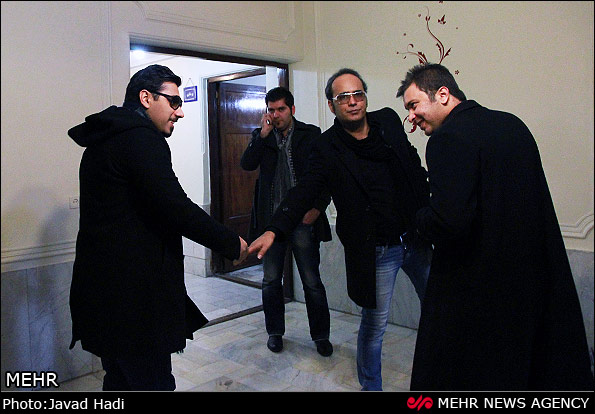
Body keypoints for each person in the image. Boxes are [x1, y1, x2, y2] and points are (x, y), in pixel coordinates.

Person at [397, 63, 593, 390]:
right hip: (532, 281)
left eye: (414, 105)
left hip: (479, 289)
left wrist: (418, 216)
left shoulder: (447, 139)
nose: (412, 117)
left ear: (442, 94)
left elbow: (449, 222)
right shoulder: (512, 124)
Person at [68, 64, 248, 391]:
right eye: (174, 102)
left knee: (119, 380)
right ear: (146, 97)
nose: (180, 112)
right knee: (152, 383)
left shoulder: (104, 138)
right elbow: (175, 206)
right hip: (134, 300)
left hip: (103, 292)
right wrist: (230, 242)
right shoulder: (140, 139)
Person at [249, 69, 432, 390]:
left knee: (438, 304)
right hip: (377, 249)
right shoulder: (327, 146)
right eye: (343, 97)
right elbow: (304, 189)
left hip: (414, 239)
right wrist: (275, 229)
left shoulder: (387, 122)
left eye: (358, 94)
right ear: (332, 105)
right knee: (374, 325)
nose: (353, 102)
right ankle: (370, 386)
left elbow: (412, 166)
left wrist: (428, 212)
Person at [241, 87, 333, 356]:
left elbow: (326, 175)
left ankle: (321, 336)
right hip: (271, 223)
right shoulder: (262, 136)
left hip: (302, 220)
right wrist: (262, 136)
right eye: (271, 110)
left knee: (311, 281)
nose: (276, 115)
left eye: (281, 109)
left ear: (291, 109)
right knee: (271, 280)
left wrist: (318, 208)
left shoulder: (310, 134)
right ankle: (275, 333)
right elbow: (247, 164)